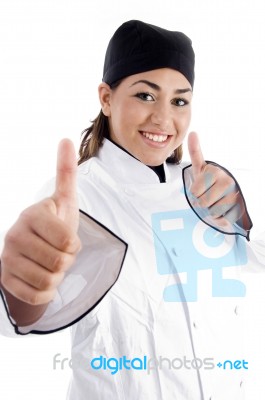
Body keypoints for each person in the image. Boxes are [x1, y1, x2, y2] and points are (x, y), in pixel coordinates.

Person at [0, 20, 260, 400]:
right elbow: (12, 322)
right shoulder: (75, 197)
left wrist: (243, 216)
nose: (163, 119)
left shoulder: (209, 187)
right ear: (106, 98)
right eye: (145, 95)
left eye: (179, 101)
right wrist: (18, 288)